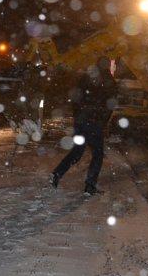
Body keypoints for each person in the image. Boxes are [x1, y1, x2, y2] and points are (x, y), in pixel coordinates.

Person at [50, 56, 118, 195]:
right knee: (97, 155)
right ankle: (89, 185)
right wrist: (102, 122)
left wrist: (78, 116)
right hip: (95, 123)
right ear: (107, 66)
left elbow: (75, 97)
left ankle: (57, 174)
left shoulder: (86, 77)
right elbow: (111, 105)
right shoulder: (109, 81)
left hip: (81, 121)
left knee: (77, 151)